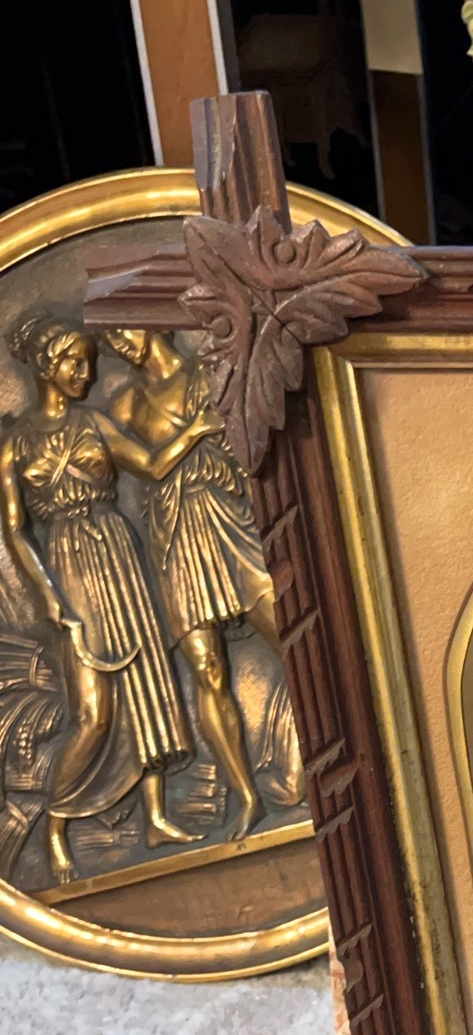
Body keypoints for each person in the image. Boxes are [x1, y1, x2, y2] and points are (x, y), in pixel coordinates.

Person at [0, 315, 207, 883]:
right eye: (75, 363)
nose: (86, 375)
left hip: (117, 551)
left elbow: (152, 464)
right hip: (68, 562)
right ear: (47, 364)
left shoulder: (93, 423)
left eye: (89, 364)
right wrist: (49, 597)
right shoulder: (15, 444)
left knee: (145, 682)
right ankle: (55, 827)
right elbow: (15, 531)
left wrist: (197, 429)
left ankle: (156, 817)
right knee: (92, 712)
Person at [100, 328, 280, 841]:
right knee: (206, 667)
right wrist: (199, 430)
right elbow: (140, 468)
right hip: (174, 532)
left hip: (225, 514)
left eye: (123, 328)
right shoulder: (126, 405)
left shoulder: (205, 372)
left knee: (282, 627)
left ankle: (327, 744)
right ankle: (247, 797)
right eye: (109, 337)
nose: (119, 341)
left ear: (149, 321)